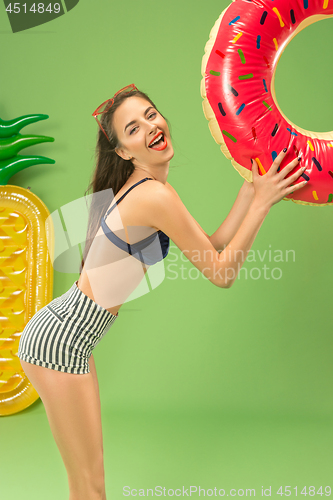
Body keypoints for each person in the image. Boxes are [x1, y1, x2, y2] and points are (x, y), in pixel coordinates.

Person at [17, 84, 308, 500]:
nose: (150, 126)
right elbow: (221, 273)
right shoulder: (153, 195)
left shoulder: (151, 190)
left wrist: (250, 192)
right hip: (60, 341)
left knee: (86, 482)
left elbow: (211, 244)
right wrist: (262, 204)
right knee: (90, 484)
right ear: (124, 152)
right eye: (133, 128)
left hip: (69, 339)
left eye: (151, 115)